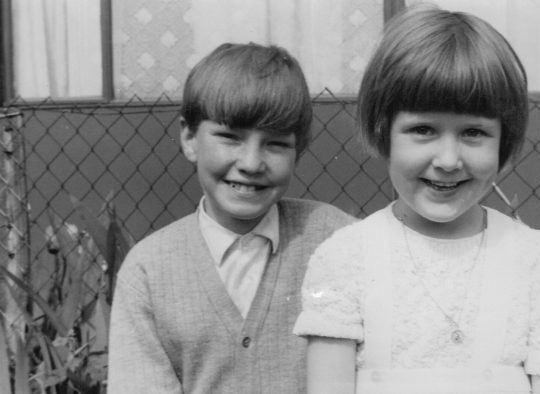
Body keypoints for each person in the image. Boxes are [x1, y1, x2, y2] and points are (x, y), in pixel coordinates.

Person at [293, 5, 540, 394]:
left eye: (473, 133)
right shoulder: (344, 261)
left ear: (504, 140)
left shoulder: (536, 265)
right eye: (423, 129)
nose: (448, 160)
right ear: (384, 131)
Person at [107, 42, 355, 393]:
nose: (252, 163)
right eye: (230, 137)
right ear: (190, 138)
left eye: (276, 144)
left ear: (298, 149)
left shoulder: (337, 240)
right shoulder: (148, 271)